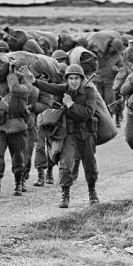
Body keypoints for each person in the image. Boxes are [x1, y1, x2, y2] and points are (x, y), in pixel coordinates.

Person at [33, 64, 100, 208]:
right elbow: (49, 87)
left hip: (85, 133)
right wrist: (33, 81)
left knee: (89, 164)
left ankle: (92, 192)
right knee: (65, 164)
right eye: (71, 78)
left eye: (76, 78)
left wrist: (70, 104)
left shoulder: (89, 92)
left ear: (81, 79)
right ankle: (65, 194)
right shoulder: (64, 89)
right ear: (67, 79)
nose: (74, 81)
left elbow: (88, 112)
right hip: (68, 134)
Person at [0, 62, 36, 197]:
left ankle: (19, 183)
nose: (16, 71)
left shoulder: (27, 84)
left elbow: (17, 90)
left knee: (18, 157)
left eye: (18, 69)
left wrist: (17, 76)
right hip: (0, 126)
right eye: (13, 69)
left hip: (18, 126)